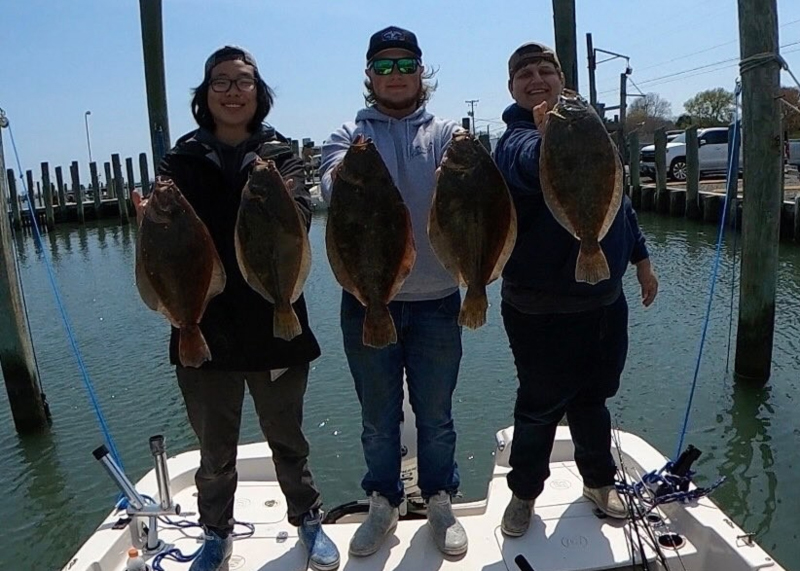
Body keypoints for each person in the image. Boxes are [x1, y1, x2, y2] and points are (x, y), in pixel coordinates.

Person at [143, 46, 339, 571]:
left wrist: (268, 180)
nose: (233, 91)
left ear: (259, 92)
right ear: (205, 96)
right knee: (214, 451)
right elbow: (168, 243)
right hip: (201, 326)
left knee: (288, 438)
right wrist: (148, 220)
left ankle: (309, 520)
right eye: (221, 82)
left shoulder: (283, 156)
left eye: (244, 81)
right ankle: (215, 533)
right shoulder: (179, 160)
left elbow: (296, 216)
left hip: (277, 319)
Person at [492, 42, 659, 538]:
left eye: (546, 69)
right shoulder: (513, 140)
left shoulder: (589, 128)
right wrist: (546, 137)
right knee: (538, 406)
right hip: (539, 308)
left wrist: (643, 261)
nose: (536, 78)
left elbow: (618, 202)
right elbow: (523, 164)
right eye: (525, 73)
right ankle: (524, 495)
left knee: (593, 400)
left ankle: (599, 482)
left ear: (562, 79)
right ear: (512, 87)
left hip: (606, 303)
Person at [319, 26, 468, 558]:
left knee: (436, 413)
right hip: (366, 299)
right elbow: (333, 186)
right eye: (383, 67)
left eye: (404, 64)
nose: (395, 75)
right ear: (368, 77)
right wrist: (351, 163)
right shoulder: (346, 134)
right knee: (377, 418)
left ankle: (439, 498)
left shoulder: (447, 134)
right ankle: (382, 501)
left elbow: (473, 195)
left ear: (420, 72)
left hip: (436, 299)